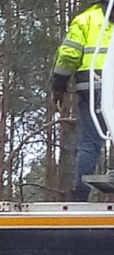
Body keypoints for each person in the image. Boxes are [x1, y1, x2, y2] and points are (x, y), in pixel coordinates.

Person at [52, 0, 114, 202]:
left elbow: (69, 55)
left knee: (89, 141)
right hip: (97, 85)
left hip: (94, 86)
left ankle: (80, 195)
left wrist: (59, 86)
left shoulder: (86, 19)